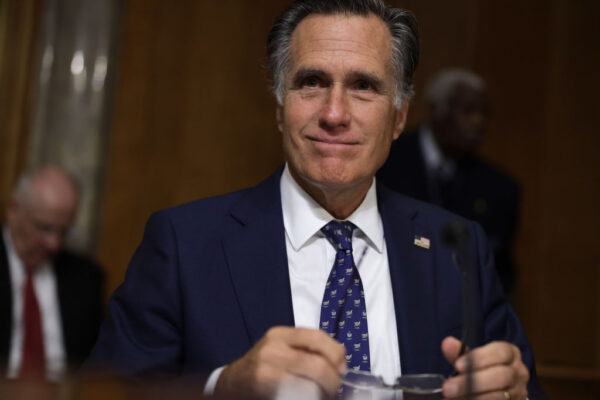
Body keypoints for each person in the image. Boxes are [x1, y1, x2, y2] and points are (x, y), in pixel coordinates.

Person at [88, 1, 545, 399]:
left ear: (399, 118)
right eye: (311, 82)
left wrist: (511, 395)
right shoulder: (184, 245)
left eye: (364, 86)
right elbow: (104, 392)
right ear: (280, 108)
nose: (334, 113)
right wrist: (223, 388)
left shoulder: (457, 249)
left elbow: (517, 388)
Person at [377, 69, 520, 294]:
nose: (478, 122)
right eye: (467, 110)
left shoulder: (499, 188)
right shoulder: (386, 160)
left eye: (483, 112)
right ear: (437, 111)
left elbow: (499, 272)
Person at [1, 165, 104, 381]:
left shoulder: (85, 278)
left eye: (63, 232)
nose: (54, 244)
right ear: (13, 210)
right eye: (44, 228)